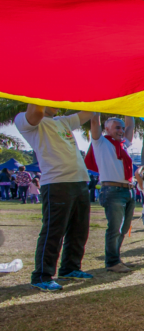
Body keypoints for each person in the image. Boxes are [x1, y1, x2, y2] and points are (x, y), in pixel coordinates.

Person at [15, 104, 93, 291]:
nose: (59, 102)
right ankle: (41, 275)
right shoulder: (26, 120)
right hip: (57, 183)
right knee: (53, 231)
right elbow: (36, 112)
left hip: (80, 181)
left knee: (79, 230)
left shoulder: (63, 121)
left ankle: (70, 268)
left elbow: (90, 111)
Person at [86, 114, 137, 273]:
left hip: (128, 190)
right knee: (115, 228)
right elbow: (94, 121)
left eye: (122, 128)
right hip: (113, 190)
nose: (121, 130)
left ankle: (117, 259)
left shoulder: (123, 145)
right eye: (117, 127)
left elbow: (131, 126)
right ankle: (112, 262)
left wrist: (127, 106)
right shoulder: (100, 142)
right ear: (106, 128)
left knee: (124, 228)